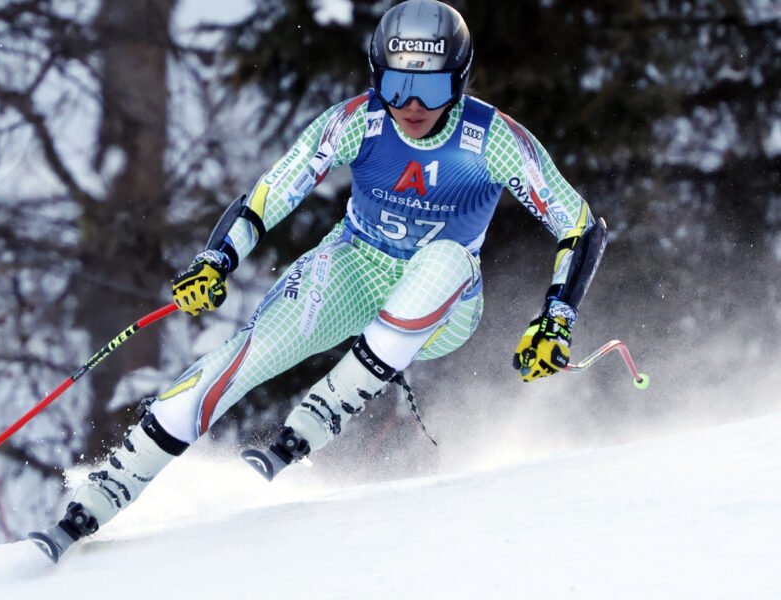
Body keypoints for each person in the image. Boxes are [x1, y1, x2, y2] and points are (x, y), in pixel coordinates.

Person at [29, 0, 607, 562]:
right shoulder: (357, 121)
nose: (411, 105)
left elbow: (580, 226)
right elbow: (270, 195)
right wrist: (217, 260)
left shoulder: (492, 137)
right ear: (376, 76)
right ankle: (102, 495)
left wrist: (556, 318)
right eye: (395, 85)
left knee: (445, 261)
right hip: (357, 265)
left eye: (430, 89)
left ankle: (317, 416)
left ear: (461, 81)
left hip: (445, 304)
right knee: (248, 354)